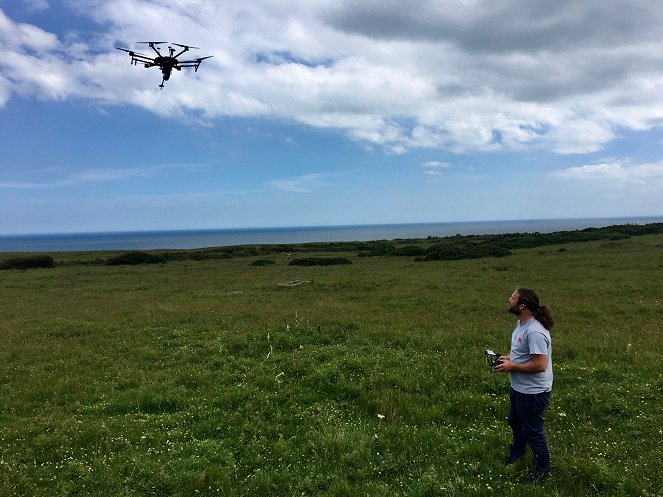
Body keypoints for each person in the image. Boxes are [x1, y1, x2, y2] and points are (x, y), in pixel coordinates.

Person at [493, 287, 554, 483]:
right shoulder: (522, 323)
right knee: (516, 422)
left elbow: (540, 365)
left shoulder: (535, 331)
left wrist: (512, 366)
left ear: (522, 306)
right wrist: (508, 358)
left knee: (533, 431)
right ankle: (516, 454)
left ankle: (542, 471)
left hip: (533, 392)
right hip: (519, 388)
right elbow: (522, 350)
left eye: (512, 298)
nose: (508, 300)